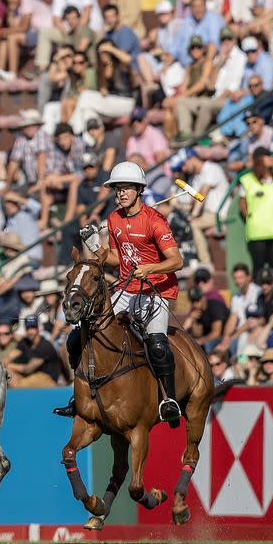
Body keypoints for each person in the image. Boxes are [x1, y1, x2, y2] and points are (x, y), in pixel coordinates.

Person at [54, 161, 184, 426]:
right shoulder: (114, 219)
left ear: (139, 190)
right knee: (78, 336)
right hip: (127, 287)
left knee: (157, 344)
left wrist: (150, 268)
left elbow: (176, 260)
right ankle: (78, 397)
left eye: (126, 188)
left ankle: (168, 399)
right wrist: (95, 246)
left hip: (157, 290)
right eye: (117, 189)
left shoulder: (155, 221)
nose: (121, 193)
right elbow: (115, 259)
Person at [238, 148, 273, 281]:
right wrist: (249, 216)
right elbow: (242, 204)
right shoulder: (247, 180)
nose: (270, 159)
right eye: (266, 157)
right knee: (258, 268)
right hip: (257, 234)